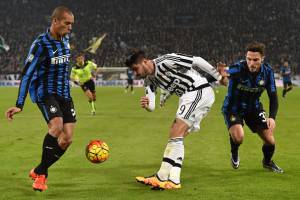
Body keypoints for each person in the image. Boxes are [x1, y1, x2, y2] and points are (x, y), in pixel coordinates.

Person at [125, 50, 225, 190]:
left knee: (175, 131)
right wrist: (147, 105)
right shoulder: (149, 81)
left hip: (197, 90)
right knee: (177, 137)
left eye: (135, 69)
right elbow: (152, 106)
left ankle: (161, 176)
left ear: (145, 61)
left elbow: (196, 60)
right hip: (189, 96)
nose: (135, 73)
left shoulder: (167, 61)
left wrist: (218, 77)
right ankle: (174, 179)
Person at [5, 6, 75, 191]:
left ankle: (38, 169)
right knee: (57, 126)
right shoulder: (40, 44)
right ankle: (42, 177)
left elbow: (64, 65)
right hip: (45, 92)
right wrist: (19, 104)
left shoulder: (66, 39)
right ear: (55, 21)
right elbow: (27, 73)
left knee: (67, 139)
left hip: (64, 94)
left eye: (71, 24)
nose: (70, 28)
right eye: (67, 23)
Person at [218, 42, 283, 173]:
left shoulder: (268, 72)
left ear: (262, 59)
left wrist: (272, 117)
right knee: (239, 137)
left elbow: (273, 97)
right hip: (233, 107)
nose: (251, 63)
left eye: (255, 60)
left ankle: (267, 162)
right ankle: (234, 152)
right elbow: (224, 76)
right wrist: (222, 77)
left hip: (254, 108)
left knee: (270, 141)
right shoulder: (238, 68)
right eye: (249, 59)